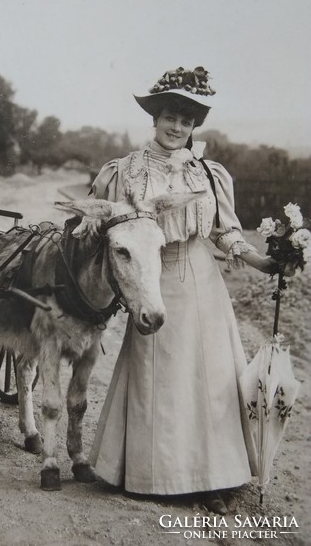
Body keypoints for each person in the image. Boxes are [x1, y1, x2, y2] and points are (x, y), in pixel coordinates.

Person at [88, 66, 279, 515]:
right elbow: (103, 231)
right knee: (158, 379)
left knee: (210, 380)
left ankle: (213, 479)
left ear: (195, 127)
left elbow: (225, 234)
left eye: (187, 121)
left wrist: (263, 262)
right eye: (171, 117)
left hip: (202, 281)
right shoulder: (125, 171)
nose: (177, 128)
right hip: (150, 280)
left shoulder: (209, 174)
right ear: (155, 117)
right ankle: (150, 475)